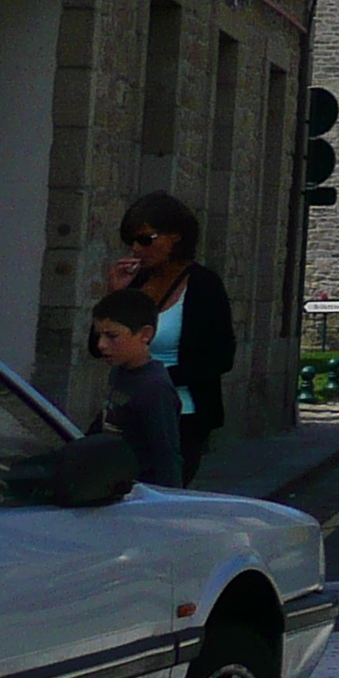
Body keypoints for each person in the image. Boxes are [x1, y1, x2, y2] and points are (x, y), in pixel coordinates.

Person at [105, 192, 234, 482]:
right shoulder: (136, 282)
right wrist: (116, 297)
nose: (136, 249)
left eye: (145, 239)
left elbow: (221, 357)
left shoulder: (203, 285)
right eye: (131, 242)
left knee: (163, 495)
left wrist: (157, 378)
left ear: (175, 237)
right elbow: (99, 346)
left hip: (180, 416)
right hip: (128, 410)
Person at [87, 288, 182, 488]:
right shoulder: (119, 372)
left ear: (145, 334)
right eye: (99, 336)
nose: (102, 345)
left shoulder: (155, 389)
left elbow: (166, 456)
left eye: (112, 336)